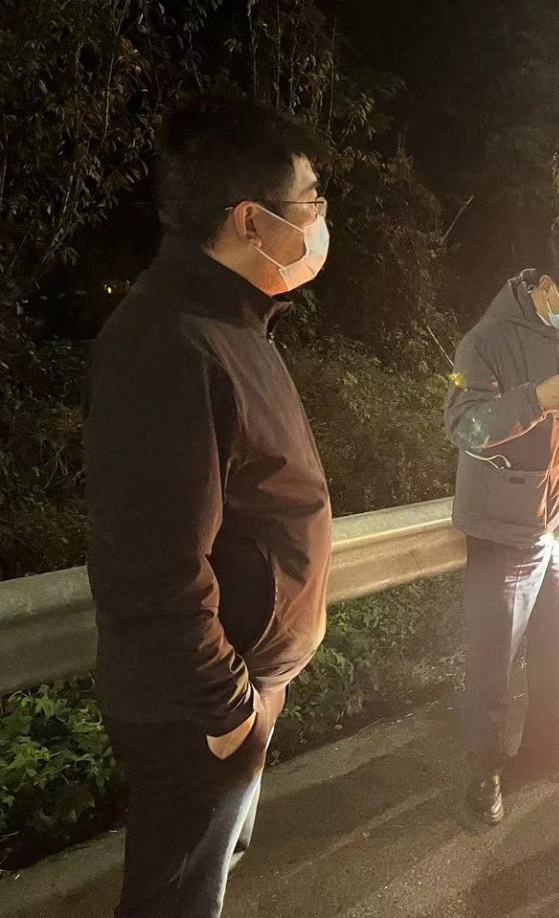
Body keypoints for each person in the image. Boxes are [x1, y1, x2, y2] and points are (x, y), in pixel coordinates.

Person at [83, 93, 333, 918]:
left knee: (199, 887)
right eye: (310, 202)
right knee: (174, 901)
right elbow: (152, 563)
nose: (321, 220)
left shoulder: (233, 323)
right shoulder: (172, 342)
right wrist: (229, 711)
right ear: (251, 220)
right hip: (198, 708)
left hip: (233, 690)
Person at [444, 226, 559, 827]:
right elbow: (465, 428)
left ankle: (551, 742)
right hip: (505, 525)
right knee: (494, 657)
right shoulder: (486, 340)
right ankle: (485, 768)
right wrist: (535, 399)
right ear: (545, 287)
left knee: (557, 645)